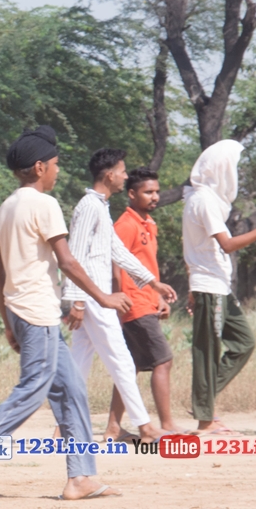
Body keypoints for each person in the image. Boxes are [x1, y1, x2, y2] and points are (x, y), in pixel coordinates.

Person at [0, 126, 131, 504]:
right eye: (55, 164)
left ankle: (81, 477)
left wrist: (7, 322)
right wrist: (103, 297)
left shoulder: (7, 207)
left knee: (72, 391)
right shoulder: (44, 205)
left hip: (22, 311)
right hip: (38, 312)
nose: (58, 171)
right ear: (39, 167)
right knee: (33, 390)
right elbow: (67, 261)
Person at [182, 140, 256, 434]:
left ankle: (204, 401)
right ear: (221, 168)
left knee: (244, 342)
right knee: (208, 351)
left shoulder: (207, 200)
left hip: (218, 286)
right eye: (232, 167)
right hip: (209, 287)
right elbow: (228, 245)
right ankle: (205, 418)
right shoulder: (203, 200)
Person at [64, 149, 178, 442]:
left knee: (78, 364)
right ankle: (145, 427)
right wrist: (78, 300)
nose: (126, 176)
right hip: (94, 296)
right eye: (122, 171)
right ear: (109, 174)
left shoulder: (100, 206)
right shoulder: (89, 207)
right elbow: (74, 255)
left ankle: (61, 429)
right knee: (123, 361)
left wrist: (152, 283)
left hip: (94, 296)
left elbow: (118, 251)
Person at [107, 167, 178, 434]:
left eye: (156, 191)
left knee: (131, 367)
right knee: (163, 360)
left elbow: (146, 266)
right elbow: (116, 264)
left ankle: (113, 428)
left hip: (147, 301)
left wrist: (158, 296)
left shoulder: (148, 223)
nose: (154, 196)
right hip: (133, 304)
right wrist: (118, 301)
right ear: (132, 194)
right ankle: (166, 424)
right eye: (148, 192)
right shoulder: (125, 225)